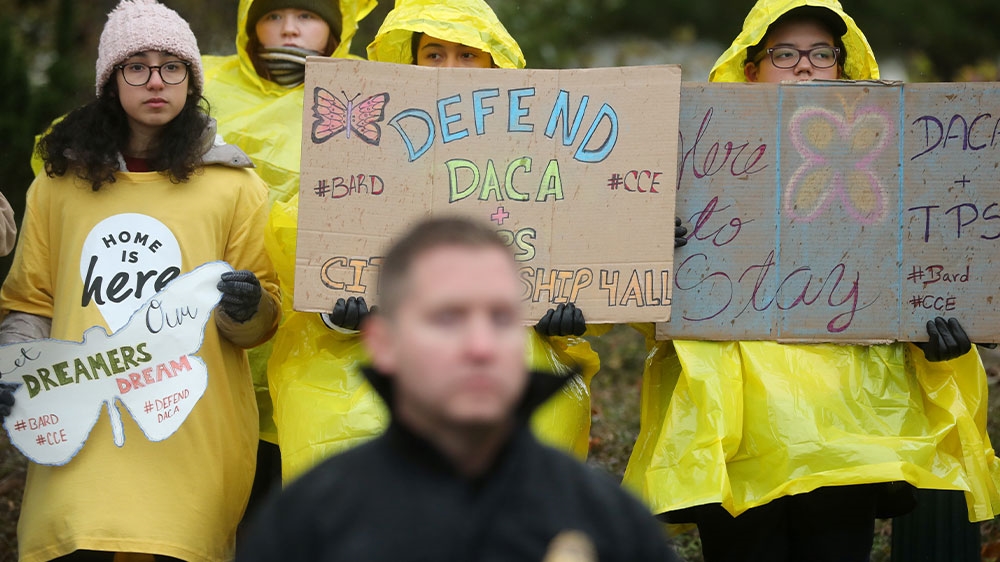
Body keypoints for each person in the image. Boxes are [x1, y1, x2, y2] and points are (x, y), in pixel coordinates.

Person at [622, 1, 1000, 561]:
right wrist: (655, 251)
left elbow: (930, 259)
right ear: (751, 66)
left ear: (844, 68)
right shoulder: (689, 160)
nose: (805, 66)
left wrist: (939, 334)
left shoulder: (894, 162)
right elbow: (643, 311)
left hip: (851, 427)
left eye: (822, 53)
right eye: (786, 53)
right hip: (737, 428)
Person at [264, 0, 601, 483]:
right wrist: (337, 312)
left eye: (468, 56)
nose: (451, 69)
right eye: (435, 54)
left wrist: (565, 316)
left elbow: (589, 250)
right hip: (378, 361)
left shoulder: (542, 151)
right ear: (411, 61)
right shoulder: (357, 147)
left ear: (494, 65)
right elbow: (310, 239)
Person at [0, 0, 280, 559]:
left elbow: (261, 321)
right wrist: (13, 370)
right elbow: (30, 302)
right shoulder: (58, 185)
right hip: (81, 431)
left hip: (190, 433)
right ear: (111, 80)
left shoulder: (235, 188)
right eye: (137, 66)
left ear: (191, 79)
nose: (156, 81)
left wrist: (246, 308)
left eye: (171, 66)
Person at [237, 217, 680, 562]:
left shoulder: (604, 519)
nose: (479, 346)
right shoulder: (310, 518)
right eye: (447, 319)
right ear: (384, 342)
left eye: (502, 317)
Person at [200, 0, 376, 508]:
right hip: (217, 318)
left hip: (331, 330)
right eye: (274, 15)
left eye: (308, 15)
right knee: (225, 494)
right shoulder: (199, 86)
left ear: (335, 28)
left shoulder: (371, 91)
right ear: (250, 25)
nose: (290, 29)